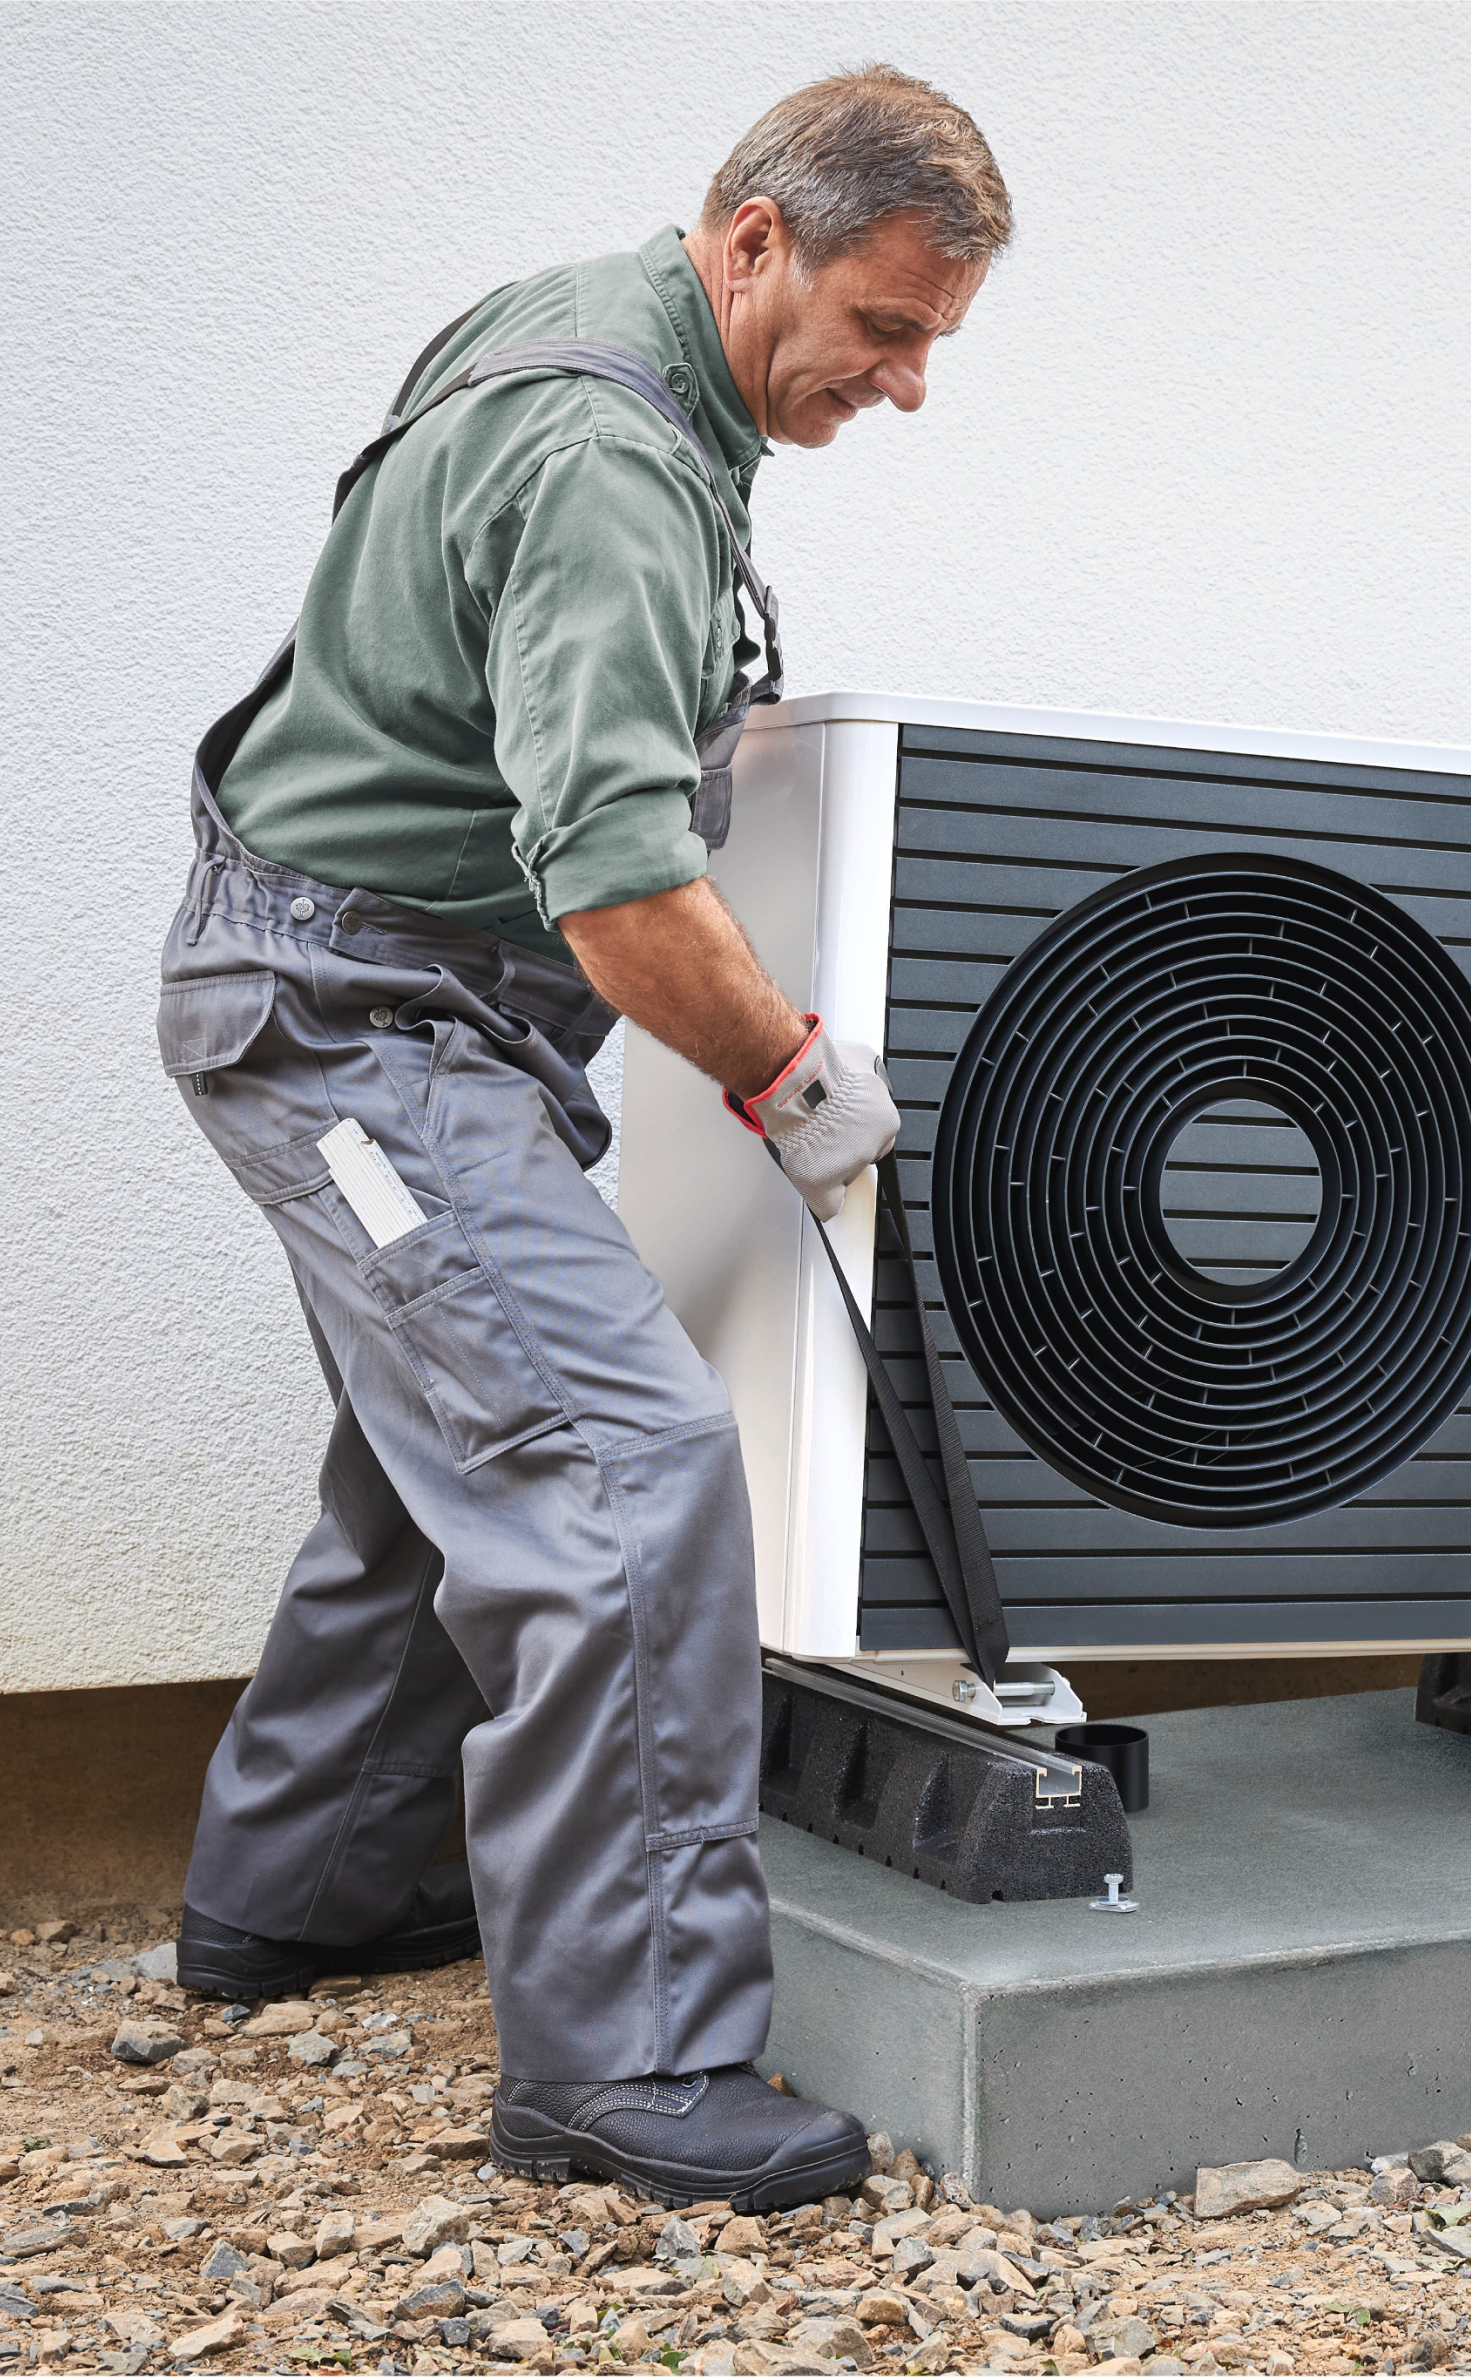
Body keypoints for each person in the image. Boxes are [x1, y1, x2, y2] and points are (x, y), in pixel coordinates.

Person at [156, 65, 1010, 2206]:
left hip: (393, 991)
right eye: (888, 330)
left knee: (440, 1448)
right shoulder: (622, 454)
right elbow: (623, 888)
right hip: (348, 1024)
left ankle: (304, 1895)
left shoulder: (579, 325)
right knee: (616, 1458)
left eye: (932, 344)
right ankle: (627, 2064)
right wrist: (797, 1082)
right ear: (753, 244)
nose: (907, 386)